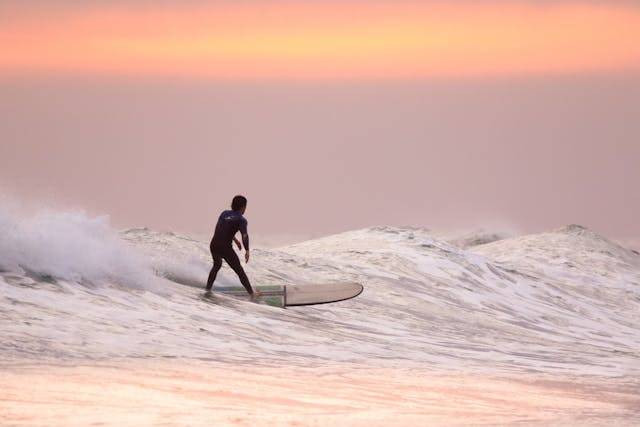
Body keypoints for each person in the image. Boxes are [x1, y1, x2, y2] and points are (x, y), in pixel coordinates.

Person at [206, 195, 259, 297]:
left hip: (214, 244)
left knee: (217, 265)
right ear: (243, 207)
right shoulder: (241, 220)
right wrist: (247, 250)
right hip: (225, 248)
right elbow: (244, 235)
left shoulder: (224, 213)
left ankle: (207, 289)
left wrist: (234, 240)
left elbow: (222, 228)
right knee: (239, 271)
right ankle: (252, 294)